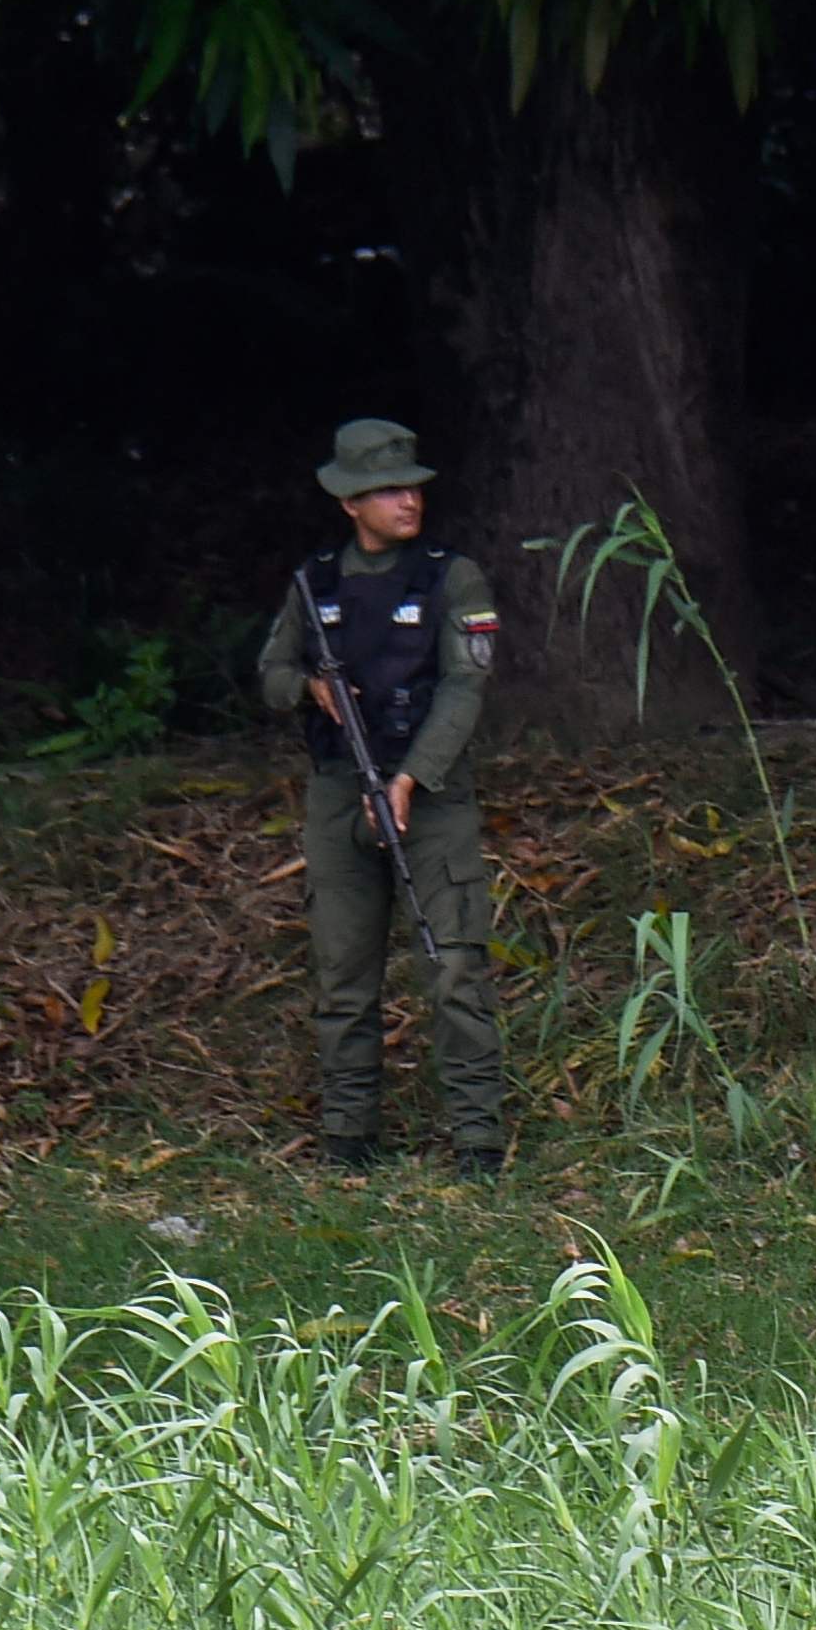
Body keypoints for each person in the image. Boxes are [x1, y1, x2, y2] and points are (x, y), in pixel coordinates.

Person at [254, 419, 510, 1173]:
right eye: (388, 491)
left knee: (454, 967)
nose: (408, 502)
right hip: (339, 792)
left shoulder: (450, 577)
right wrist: (310, 686)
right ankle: (349, 1138)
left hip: (430, 794)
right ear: (350, 503)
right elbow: (270, 672)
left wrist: (408, 778)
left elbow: (464, 688)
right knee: (343, 975)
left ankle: (477, 1140)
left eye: (412, 488)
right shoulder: (316, 583)